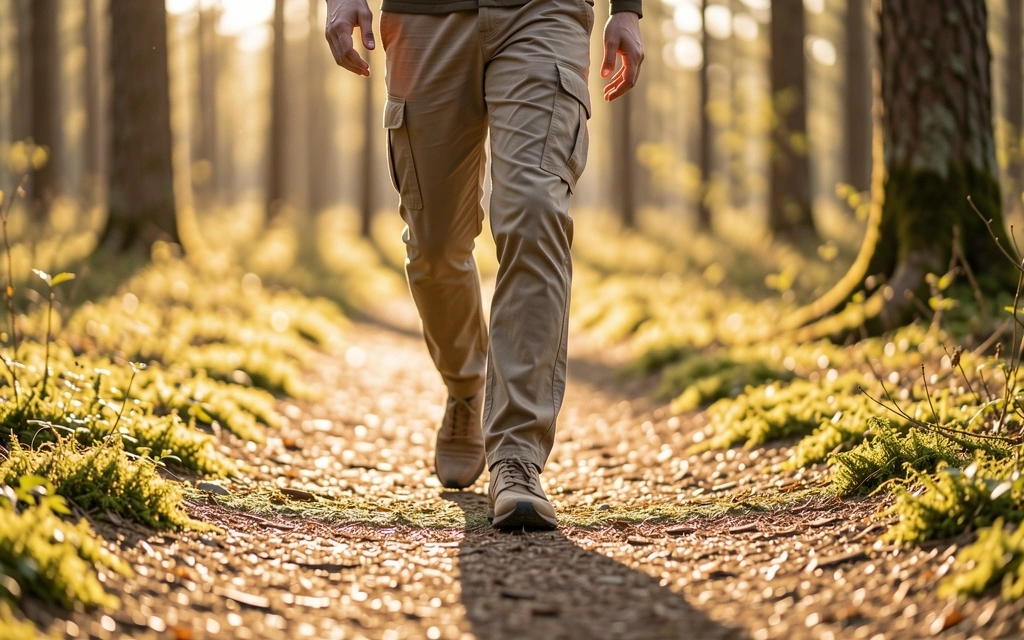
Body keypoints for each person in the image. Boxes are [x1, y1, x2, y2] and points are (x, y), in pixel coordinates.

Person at [325, 0, 644, 530]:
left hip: (545, 13)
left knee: (535, 210)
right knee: (433, 245)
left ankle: (516, 457)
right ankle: (466, 382)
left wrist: (628, 9)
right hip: (425, 15)